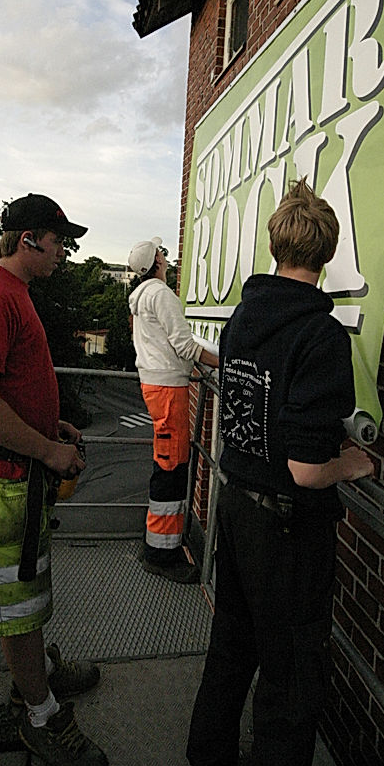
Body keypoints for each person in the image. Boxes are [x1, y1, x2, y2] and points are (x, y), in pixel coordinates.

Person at [183, 179, 375, 766]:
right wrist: (353, 464)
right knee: (290, 679)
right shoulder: (321, 336)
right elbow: (308, 470)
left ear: (275, 246)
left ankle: (209, 758)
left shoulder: (245, 316)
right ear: (327, 253)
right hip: (288, 529)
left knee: (232, 644)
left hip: (236, 508)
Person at [0, 192, 109, 766]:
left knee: (28, 591)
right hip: (1, 483)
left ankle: (37, 671)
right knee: (15, 608)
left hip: (19, 477)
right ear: (29, 241)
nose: (65, 252)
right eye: (60, 241)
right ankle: (38, 715)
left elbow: (11, 386)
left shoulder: (14, 294)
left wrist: (50, 425)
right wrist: (48, 450)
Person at [128, 237, 219, 584]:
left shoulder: (139, 297)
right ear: (158, 262)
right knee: (171, 468)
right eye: (162, 253)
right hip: (168, 389)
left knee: (169, 465)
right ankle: (161, 555)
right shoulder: (161, 295)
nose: (166, 256)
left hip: (157, 386)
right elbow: (184, 345)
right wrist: (225, 362)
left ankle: (160, 545)